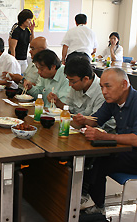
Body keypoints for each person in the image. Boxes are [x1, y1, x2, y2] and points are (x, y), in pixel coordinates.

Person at [72, 67, 137, 215]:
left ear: (124, 85)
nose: (104, 91)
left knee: (98, 161)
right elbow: (97, 119)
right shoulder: (113, 100)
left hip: (134, 154)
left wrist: (107, 137)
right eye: (101, 86)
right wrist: (83, 119)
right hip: (123, 149)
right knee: (88, 157)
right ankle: (83, 197)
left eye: (108, 86)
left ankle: (97, 207)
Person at [48, 57, 115, 132]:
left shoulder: (102, 91)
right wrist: (57, 102)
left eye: (72, 81)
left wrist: (82, 121)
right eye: (69, 80)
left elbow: (95, 122)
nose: (70, 85)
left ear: (86, 79)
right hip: (79, 128)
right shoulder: (77, 85)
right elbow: (68, 109)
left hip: (101, 132)